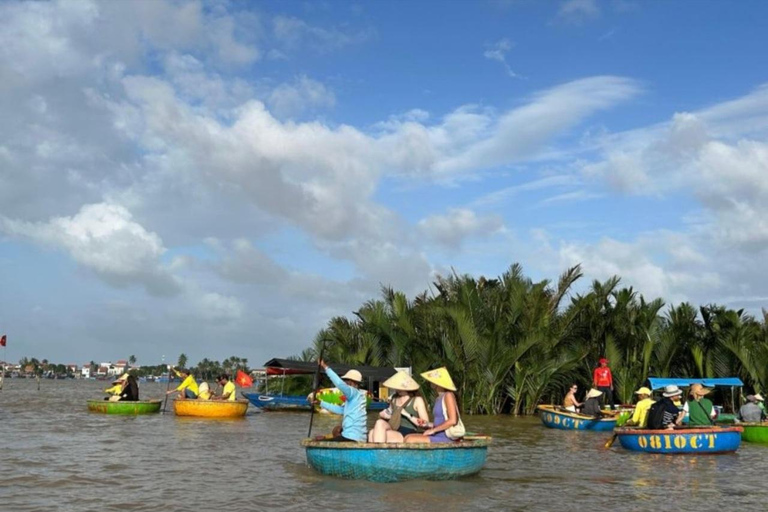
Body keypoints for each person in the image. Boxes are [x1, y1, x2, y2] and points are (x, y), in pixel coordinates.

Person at [368, 370, 429, 443]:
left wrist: (407, 415)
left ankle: (380, 453)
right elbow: (390, 413)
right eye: (397, 387)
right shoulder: (394, 398)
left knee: (374, 434)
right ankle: (379, 453)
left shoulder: (417, 400)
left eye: (400, 387)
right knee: (375, 427)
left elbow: (426, 423)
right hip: (393, 426)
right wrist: (385, 414)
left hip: (407, 432)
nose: (397, 390)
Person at [405, 367, 462, 443]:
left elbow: (452, 421)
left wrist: (433, 430)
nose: (430, 382)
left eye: (432, 381)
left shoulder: (448, 395)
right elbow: (440, 422)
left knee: (410, 440)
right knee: (407, 437)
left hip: (446, 436)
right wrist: (427, 424)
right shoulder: (438, 398)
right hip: (437, 434)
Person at [317, 360, 367, 442]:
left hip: (352, 437)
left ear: (352, 382)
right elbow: (341, 410)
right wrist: (321, 403)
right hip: (358, 437)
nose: (345, 382)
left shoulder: (353, 392)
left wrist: (325, 367)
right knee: (335, 431)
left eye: (347, 381)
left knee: (323, 440)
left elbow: (339, 384)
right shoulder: (359, 396)